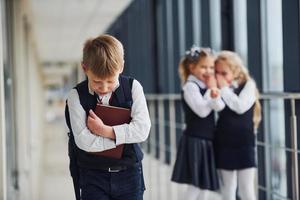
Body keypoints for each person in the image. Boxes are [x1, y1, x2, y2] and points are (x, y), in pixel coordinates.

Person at [65, 34, 151, 200]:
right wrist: (124, 137)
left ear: (122, 67)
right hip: (92, 176)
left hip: (130, 175)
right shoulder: (75, 96)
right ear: (85, 68)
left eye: (110, 81)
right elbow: (84, 142)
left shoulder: (133, 87)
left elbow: (142, 131)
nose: (104, 87)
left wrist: (105, 131)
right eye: (97, 82)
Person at [171, 46, 224, 200]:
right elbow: (202, 111)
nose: (208, 71)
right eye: (203, 67)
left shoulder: (205, 87)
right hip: (195, 140)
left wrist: (214, 92)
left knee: (204, 186)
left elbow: (219, 106)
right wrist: (211, 91)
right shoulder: (190, 87)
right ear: (192, 67)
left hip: (206, 139)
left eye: (211, 67)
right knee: (195, 185)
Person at [214, 50, 262, 200]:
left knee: (246, 189)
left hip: (244, 142)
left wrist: (224, 89)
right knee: (228, 188)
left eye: (224, 73)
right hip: (224, 141)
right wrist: (215, 94)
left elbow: (240, 106)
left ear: (235, 71)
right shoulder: (219, 88)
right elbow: (217, 107)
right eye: (217, 73)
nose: (219, 77)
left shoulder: (249, 85)